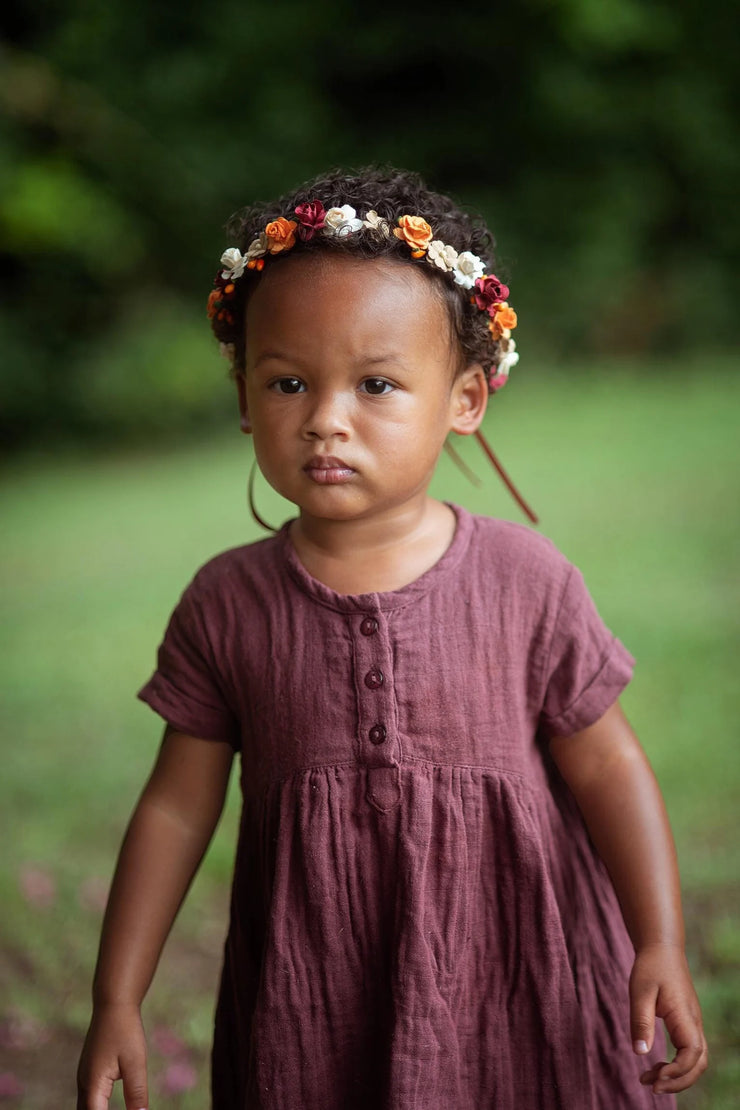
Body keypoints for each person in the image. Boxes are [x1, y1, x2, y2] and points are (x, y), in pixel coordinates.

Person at [76, 167, 707, 1109]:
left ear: (465, 399)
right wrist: (117, 996)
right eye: (289, 381)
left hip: (524, 985)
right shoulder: (227, 606)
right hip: (321, 1001)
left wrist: (658, 939)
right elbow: (175, 810)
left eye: (376, 384)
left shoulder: (526, 582)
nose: (326, 419)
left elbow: (609, 766)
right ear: (246, 394)